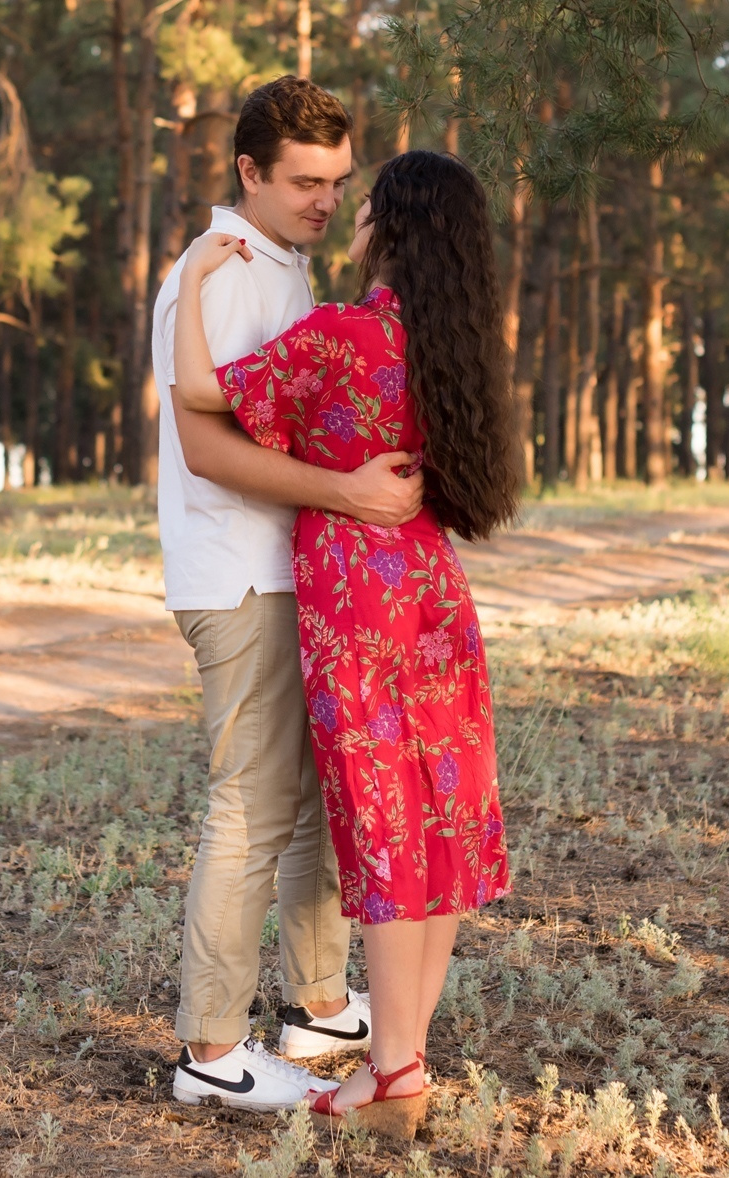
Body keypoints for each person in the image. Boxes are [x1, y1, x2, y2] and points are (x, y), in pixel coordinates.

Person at [173, 148, 520, 1140]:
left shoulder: (339, 335)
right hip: (432, 595)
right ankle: (397, 1060)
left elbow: (205, 397)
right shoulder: (457, 348)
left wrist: (197, 277)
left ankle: (397, 1069)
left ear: (392, 228)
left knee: (382, 829)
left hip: (354, 603)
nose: (352, 220)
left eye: (366, 207)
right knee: (436, 825)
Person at [153, 77, 427, 1111]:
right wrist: (346, 493)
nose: (323, 200)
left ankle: (317, 1005)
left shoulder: (284, 265)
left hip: (297, 570)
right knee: (251, 807)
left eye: (337, 183)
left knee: (316, 796)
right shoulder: (219, 276)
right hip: (242, 575)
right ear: (249, 175)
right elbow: (204, 441)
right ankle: (212, 1054)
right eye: (304, 182)